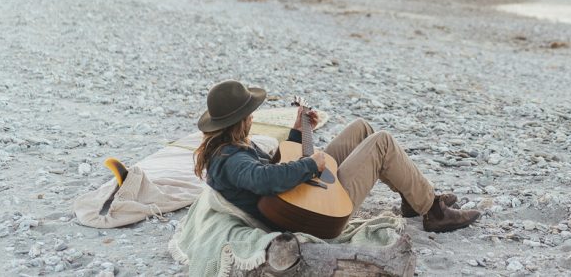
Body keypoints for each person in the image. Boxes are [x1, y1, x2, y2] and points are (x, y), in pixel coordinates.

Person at [193, 79, 480, 233]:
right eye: (250, 112)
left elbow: (274, 166)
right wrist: (309, 163)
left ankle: (412, 197)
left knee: (362, 128)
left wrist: (297, 132)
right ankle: (434, 212)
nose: (253, 116)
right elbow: (263, 179)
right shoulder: (230, 158)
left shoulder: (230, 146)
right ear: (240, 119)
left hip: (296, 196)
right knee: (382, 142)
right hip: (309, 213)